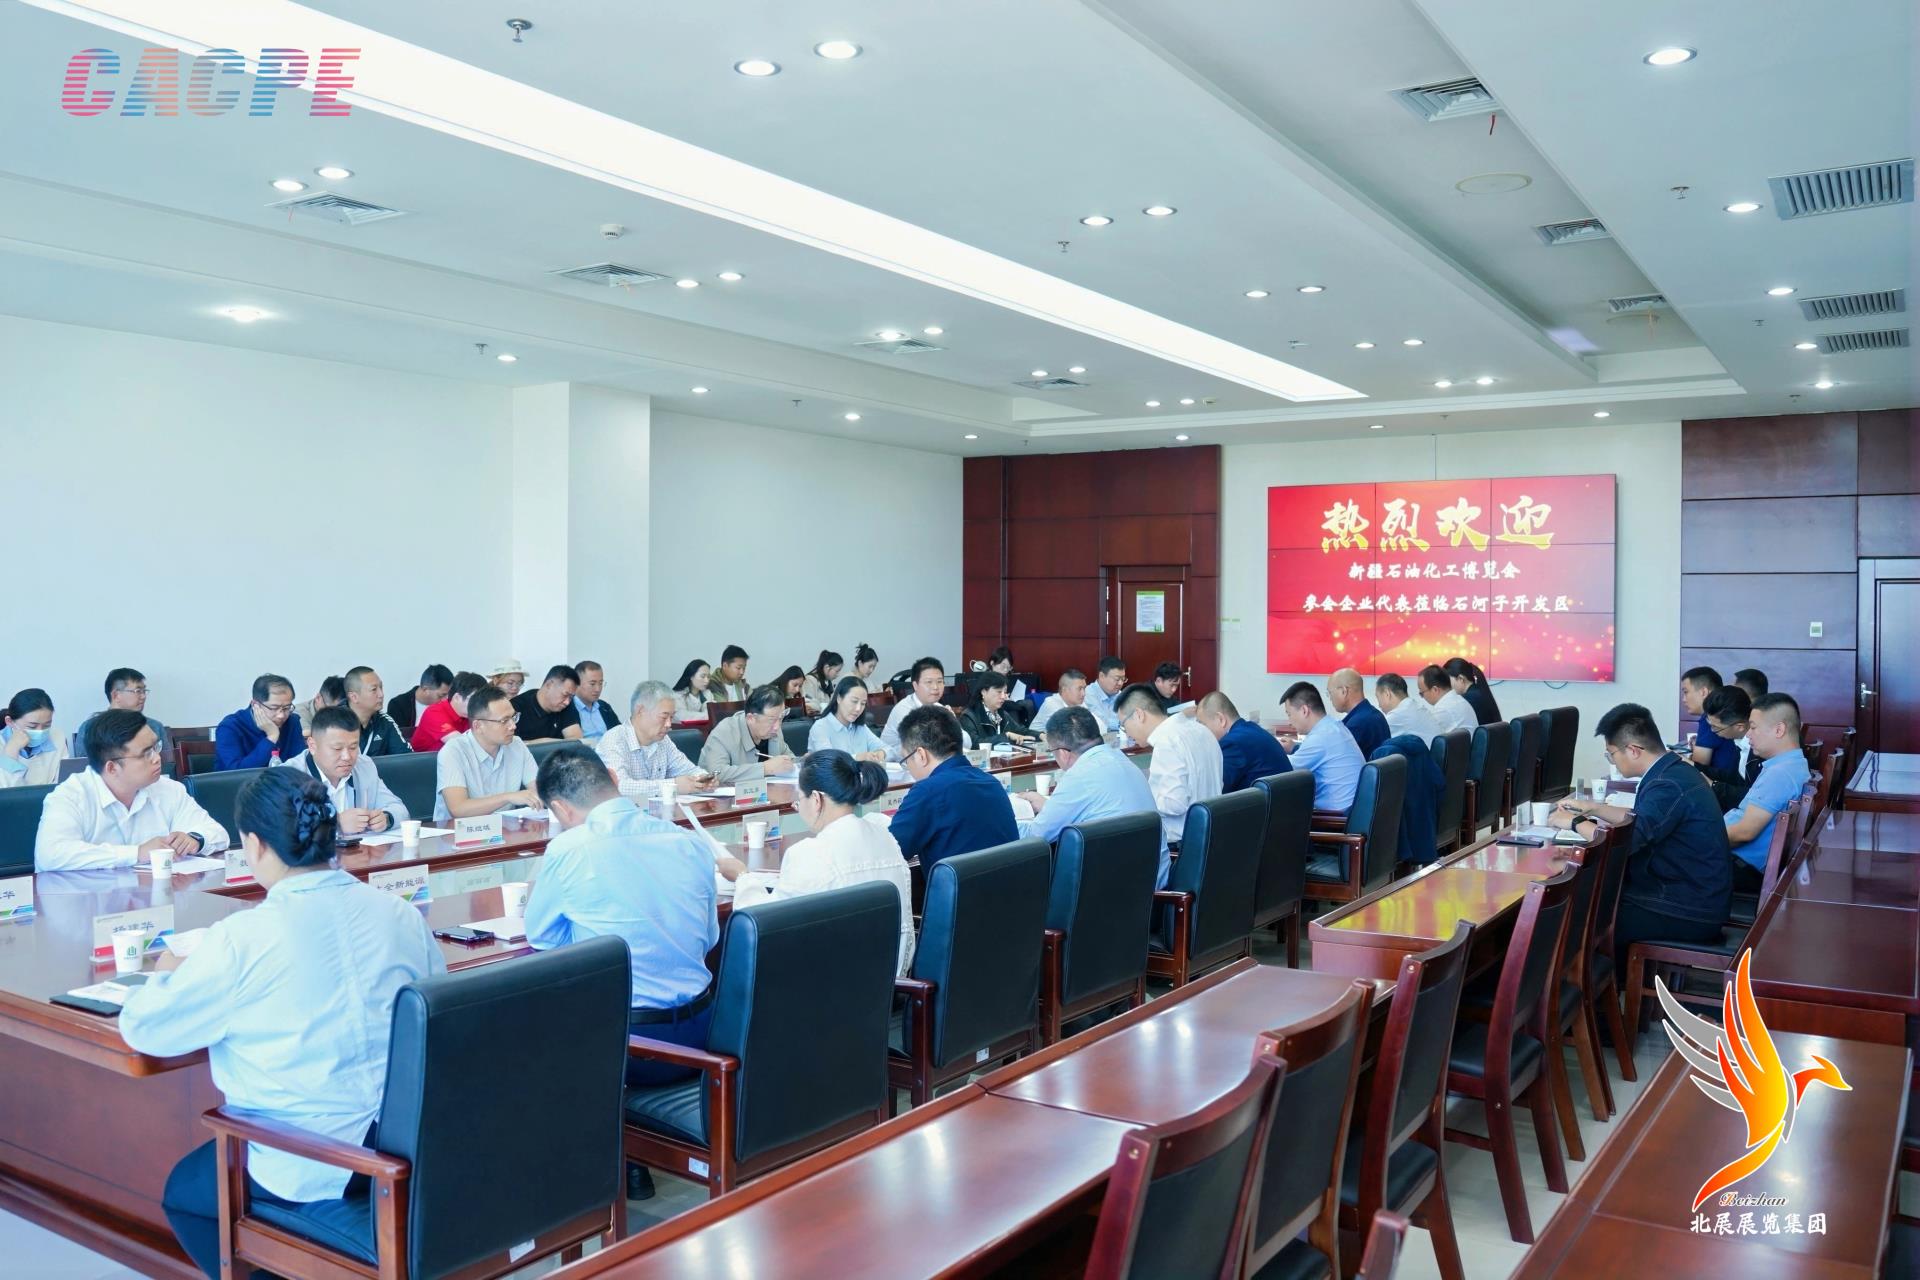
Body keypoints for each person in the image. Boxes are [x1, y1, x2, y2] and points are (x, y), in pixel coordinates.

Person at [119, 768, 442, 1279]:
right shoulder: (398, 914)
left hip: (316, 1158)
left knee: (187, 1194)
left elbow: (147, 1031)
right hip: (409, 1142)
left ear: (254, 844)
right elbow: (435, 1008)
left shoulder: (243, 937)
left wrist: (165, 973)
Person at [523, 744, 718, 1202]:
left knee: (536, 1019)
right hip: (705, 1032)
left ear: (559, 808)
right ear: (613, 777)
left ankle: (591, 1173)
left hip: (633, 1049)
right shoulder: (685, 840)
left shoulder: (570, 848)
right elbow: (709, 938)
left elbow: (542, 938)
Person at [1550, 704, 1730, 964]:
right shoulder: (1674, 771)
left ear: (1633, 750)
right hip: (1690, 896)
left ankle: (1587, 983)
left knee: (1578, 914)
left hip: (1686, 909)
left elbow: (1626, 841)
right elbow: (1640, 819)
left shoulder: (1667, 784)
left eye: (1611, 754)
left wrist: (1575, 822)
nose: (1612, 760)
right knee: (1593, 898)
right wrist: (1593, 808)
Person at [734, 750, 914, 975]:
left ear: (816, 799)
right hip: (890, 983)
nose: (798, 808)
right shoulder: (885, 836)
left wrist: (742, 877)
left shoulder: (811, 853)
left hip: (830, 987)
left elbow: (764, 924)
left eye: (800, 800)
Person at [36, 711, 230, 871]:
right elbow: (50, 855)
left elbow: (219, 834)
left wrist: (195, 839)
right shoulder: (69, 797)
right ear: (112, 768)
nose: (157, 758)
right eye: (146, 753)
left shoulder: (168, 789)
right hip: (90, 901)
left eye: (155, 747)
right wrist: (137, 853)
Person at [1020, 706, 1168, 886]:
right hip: (1152, 884)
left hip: (1112, 892)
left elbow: (1036, 837)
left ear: (1063, 753)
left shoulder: (1079, 775)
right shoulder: (1121, 759)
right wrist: (1047, 806)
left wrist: (1007, 820)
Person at [888, 706, 1019, 876]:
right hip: (1008, 889)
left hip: (958, 892)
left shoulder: (927, 791)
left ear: (921, 755)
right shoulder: (991, 782)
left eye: (906, 760)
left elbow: (891, 853)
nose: (908, 767)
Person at [1116, 683, 1222, 849]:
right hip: (1211, 835)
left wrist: (1141, 795)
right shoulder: (1202, 730)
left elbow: (1174, 804)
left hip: (1180, 845)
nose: (1127, 733)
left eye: (1123, 725)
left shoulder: (1167, 741)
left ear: (1138, 715)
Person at [1724, 693, 1812, 888]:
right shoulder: (1793, 765)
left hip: (1739, 866)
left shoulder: (1780, 774)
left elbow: (1745, 832)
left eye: (1753, 727)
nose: (1748, 734)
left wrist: (1698, 836)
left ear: (1779, 730)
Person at [279, 706, 408, 836]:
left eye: (353, 747)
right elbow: (279, 828)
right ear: (312, 746)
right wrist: (335, 824)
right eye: (337, 748)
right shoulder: (287, 776)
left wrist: (386, 818)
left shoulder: (364, 766)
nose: (347, 757)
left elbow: (399, 809)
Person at [433, 685, 540, 821]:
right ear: (478, 726)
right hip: (458, 831)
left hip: (505, 829)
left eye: (513, 717)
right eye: (504, 721)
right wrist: (508, 797)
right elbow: (458, 808)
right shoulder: (453, 751)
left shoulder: (516, 744)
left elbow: (539, 790)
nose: (513, 726)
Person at [596, 681, 714, 798]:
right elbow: (621, 786)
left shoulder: (663, 740)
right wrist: (673, 786)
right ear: (640, 710)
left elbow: (689, 770)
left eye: (671, 717)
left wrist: (704, 778)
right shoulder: (614, 740)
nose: (668, 724)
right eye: (664, 717)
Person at [1280, 681, 1364, 813]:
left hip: (1337, 818)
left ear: (1304, 710)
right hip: (1353, 811)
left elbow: (1284, 768)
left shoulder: (1320, 737)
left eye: (1289, 714)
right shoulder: (1333, 726)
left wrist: (1269, 749)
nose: (1289, 722)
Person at [699, 684, 796, 784]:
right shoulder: (724, 731)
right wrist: (764, 768)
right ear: (751, 718)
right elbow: (716, 773)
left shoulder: (773, 729)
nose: (777, 726)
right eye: (771, 720)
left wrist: (800, 763)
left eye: (781, 718)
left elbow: (789, 759)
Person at [881, 657, 973, 760]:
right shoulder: (904, 710)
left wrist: (953, 722)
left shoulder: (940, 708)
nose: (935, 687)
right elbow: (923, 747)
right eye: (929, 682)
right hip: (895, 765)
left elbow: (967, 743)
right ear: (915, 685)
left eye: (940, 681)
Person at [1197, 691, 1291, 793]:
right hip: (1283, 799)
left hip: (1268, 802)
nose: (1201, 732)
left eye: (1203, 725)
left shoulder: (1232, 744)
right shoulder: (1252, 729)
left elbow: (1215, 790)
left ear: (1221, 719)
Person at [215, 674, 305, 770]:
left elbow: (300, 764)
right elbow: (237, 771)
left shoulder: (292, 722)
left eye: (286, 708)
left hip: (285, 779)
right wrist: (271, 737)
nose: (281, 715)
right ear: (255, 705)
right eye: (274, 708)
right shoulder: (229, 728)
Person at [81, 668, 170, 759]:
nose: (143, 696)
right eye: (138, 691)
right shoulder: (90, 728)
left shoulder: (155, 726)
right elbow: (83, 764)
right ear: (116, 695)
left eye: (144, 691)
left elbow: (168, 763)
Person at [1699, 686, 1761, 811]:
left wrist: (1713, 786)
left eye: (1716, 727)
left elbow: (1756, 798)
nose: (1712, 731)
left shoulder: (1761, 750)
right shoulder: (1739, 741)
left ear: (1740, 726)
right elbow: (1731, 777)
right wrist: (1693, 766)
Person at [807, 676, 887, 760]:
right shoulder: (821, 727)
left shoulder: (861, 728)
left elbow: (889, 750)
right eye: (854, 701)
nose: (858, 708)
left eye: (863, 703)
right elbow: (828, 760)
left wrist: (882, 753)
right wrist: (858, 757)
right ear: (839, 699)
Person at [410, 670, 486, 753]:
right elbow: (462, 744)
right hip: (422, 760)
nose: (480, 706)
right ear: (457, 697)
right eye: (475, 701)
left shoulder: (470, 715)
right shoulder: (434, 713)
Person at [1681, 666, 1738, 773]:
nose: (1683, 699)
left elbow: (1697, 768)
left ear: (1703, 692)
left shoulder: (1710, 718)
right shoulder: (1725, 712)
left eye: (1686, 692)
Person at [957, 671, 1036, 747]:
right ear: (984, 692)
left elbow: (1021, 731)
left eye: (1005, 692)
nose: (1003, 697)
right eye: (999, 692)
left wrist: (1040, 735)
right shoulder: (969, 716)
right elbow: (974, 744)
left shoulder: (1002, 714)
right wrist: (1006, 736)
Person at [1, 689, 60, 789]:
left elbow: (63, 783)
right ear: (10, 722)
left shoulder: (57, 737)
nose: (40, 731)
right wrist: (11, 751)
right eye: (32, 726)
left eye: (47, 725)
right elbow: (6, 793)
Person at [343, 666, 409, 757]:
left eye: (381, 687)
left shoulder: (385, 721)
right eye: (374, 689)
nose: (381, 694)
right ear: (354, 697)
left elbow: (407, 758)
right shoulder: (333, 723)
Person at [1327, 667, 1390, 758]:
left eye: (1330, 693)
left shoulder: (1355, 725)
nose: (1330, 698)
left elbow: (1335, 760)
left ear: (1344, 691)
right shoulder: (1376, 715)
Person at [512, 665, 584, 743]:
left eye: (571, 697)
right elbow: (511, 745)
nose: (567, 702)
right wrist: (545, 742)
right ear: (549, 685)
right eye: (565, 695)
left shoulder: (567, 705)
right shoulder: (516, 707)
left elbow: (575, 740)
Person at [1375, 672, 1444, 744]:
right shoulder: (1413, 706)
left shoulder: (1398, 714)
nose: (1379, 705)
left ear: (1387, 694)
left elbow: (1375, 738)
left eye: (1378, 697)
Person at [385, 663, 452, 735]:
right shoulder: (398, 705)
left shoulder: (448, 705)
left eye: (448, 694)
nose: (445, 699)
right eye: (441, 695)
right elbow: (397, 737)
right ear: (425, 689)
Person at [1418, 665, 1479, 736]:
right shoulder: (1459, 700)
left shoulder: (1442, 709)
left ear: (1435, 690)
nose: (1422, 697)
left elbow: (1424, 736)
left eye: (1421, 693)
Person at [571, 660, 620, 741]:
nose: (598, 689)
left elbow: (619, 734)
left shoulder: (604, 707)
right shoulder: (567, 708)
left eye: (600, 683)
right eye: (592, 684)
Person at [1443, 657, 1502, 725]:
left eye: (1448, 681)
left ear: (1461, 679)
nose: (1446, 686)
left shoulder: (1467, 700)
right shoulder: (1478, 692)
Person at [1032, 668, 1091, 734]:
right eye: (1079, 689)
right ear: (1064, 690)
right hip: (1035, 739)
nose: (1083, 693)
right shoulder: (1052, 704)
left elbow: (1092, 725)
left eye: (1084, 688)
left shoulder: (1079, 703)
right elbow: (1068, 734)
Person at [291, 675, 344, 741]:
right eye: (331, 710)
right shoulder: (299, 713)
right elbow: (308, 738)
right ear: (318, 698)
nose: (336, 715)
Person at [1086, 656, 1127, 732]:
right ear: (1101, 676)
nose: (1120, 683)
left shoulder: (1120, 695)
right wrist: (1125, 724)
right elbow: (1099, 722)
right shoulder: (1087, 695)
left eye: (1123, 679)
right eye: (1117, 679)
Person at [801, 650, 844, 715]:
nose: (838, 674)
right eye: (837, 671)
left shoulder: (828, 683)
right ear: (827, 668)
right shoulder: (809, 681)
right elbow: (808, 705)